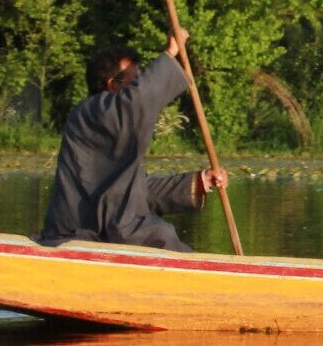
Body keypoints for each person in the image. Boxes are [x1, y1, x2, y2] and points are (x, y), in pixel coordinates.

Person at [38, 23, 227, 250]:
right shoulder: (89, 114)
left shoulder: (112, 130)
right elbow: (136, 99)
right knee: (160, 235)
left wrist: (201, 181)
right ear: (111, 85)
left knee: (168, 239)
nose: (137, 86)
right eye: (132, 81)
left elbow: (138, 190)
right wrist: (171, 53)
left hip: (107, 237)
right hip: (78, 237)